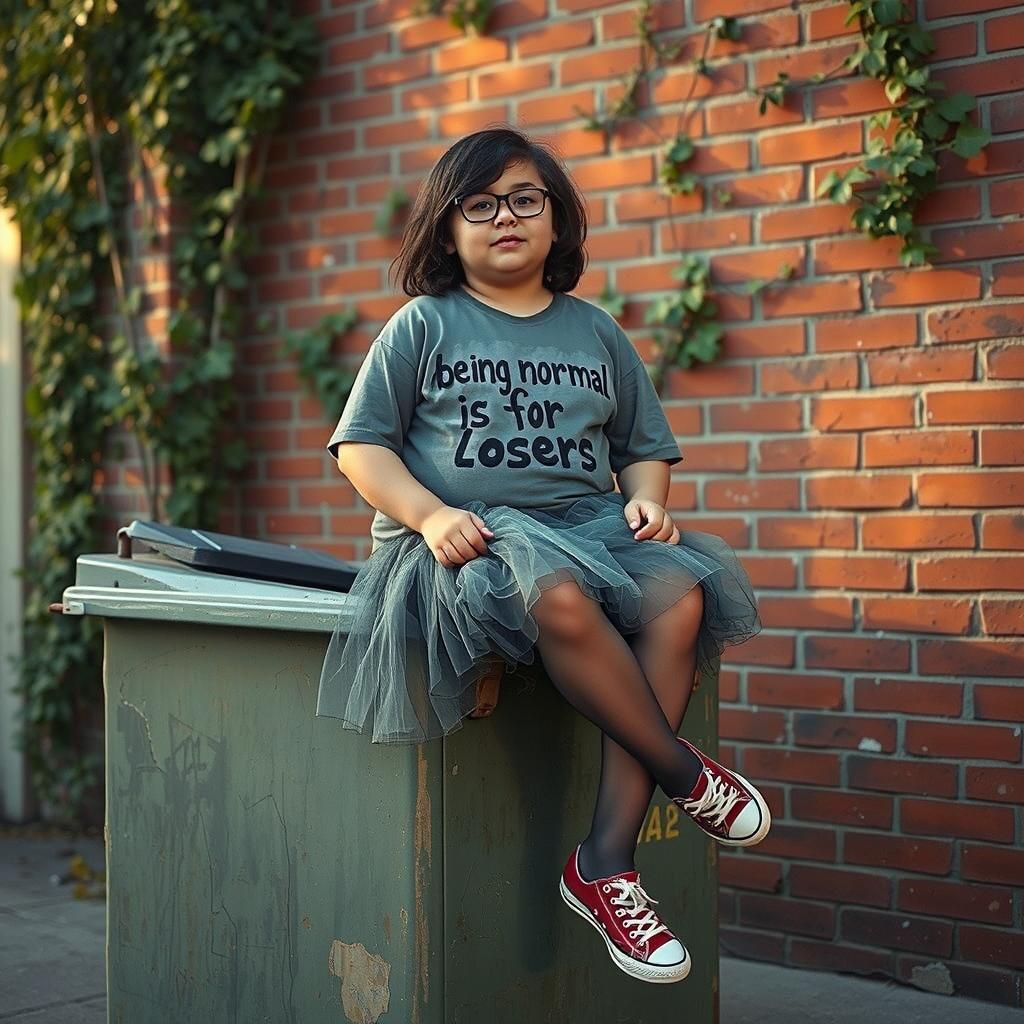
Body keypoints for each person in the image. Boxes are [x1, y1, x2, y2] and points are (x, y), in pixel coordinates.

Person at [315, 125, 767, 985]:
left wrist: (647, 499)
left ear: (557, 221)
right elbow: (361, 448)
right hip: (463, 542)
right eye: (478, 205)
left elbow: (644, 445)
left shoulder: (594, 333)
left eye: (526, 199)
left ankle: (604, 862)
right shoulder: (424, 325)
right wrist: (429, 511)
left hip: (588, 525)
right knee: (554, 589)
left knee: (680, 595)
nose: (505, 218)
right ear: (447, 231)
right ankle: (684, 773)